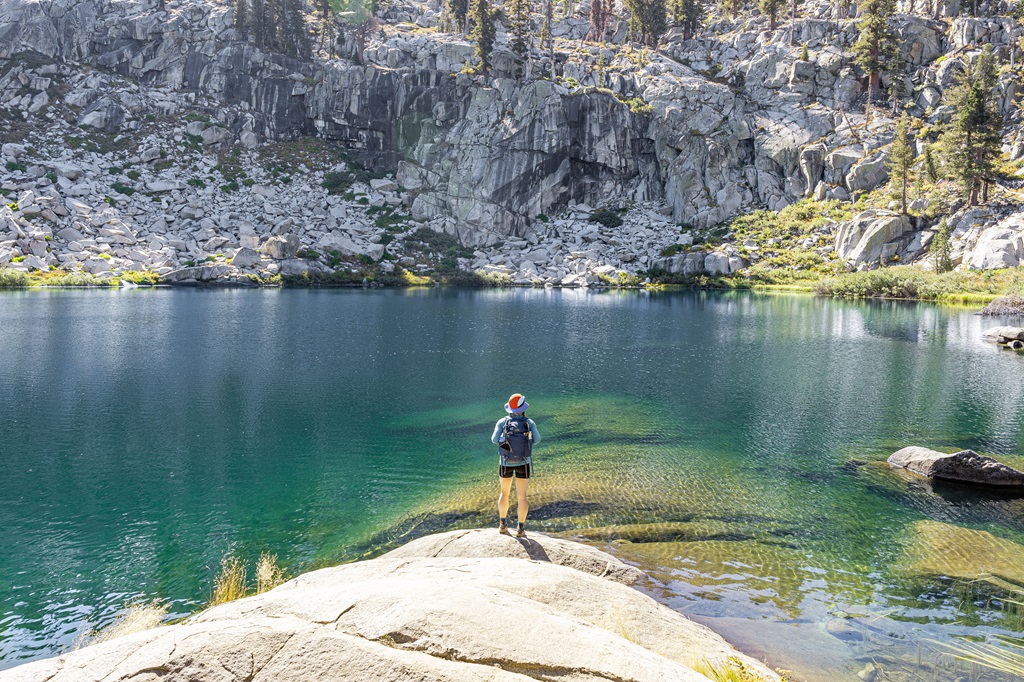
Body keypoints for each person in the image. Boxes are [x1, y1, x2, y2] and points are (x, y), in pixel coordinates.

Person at [490, 393, 541, 537]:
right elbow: (537, 440)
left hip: (505, 462)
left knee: (504, 493)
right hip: (523, 463)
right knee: (522, 497)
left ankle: (502, 525)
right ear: (524, 408)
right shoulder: (529, 423)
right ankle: (520, 528)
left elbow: (494, 440)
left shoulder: (502, 422)